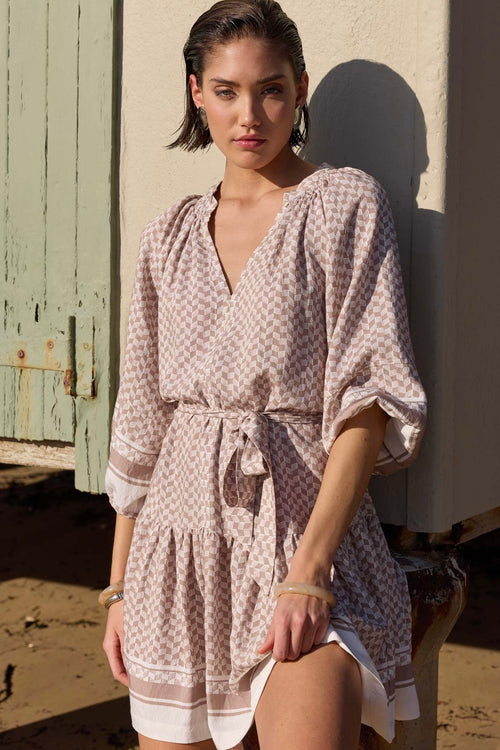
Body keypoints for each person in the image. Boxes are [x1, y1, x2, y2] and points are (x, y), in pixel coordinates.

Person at [101, 1, 427, 749]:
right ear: (196, 94)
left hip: (301, 542)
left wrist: (309, 571)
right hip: (175, 562)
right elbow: (141, 423)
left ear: (301, 88)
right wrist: (120, 588)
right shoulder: (169, 235)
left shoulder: (345, 206)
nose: (250, 114)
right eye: (226, 91)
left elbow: (367, 402)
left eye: (271, 89)